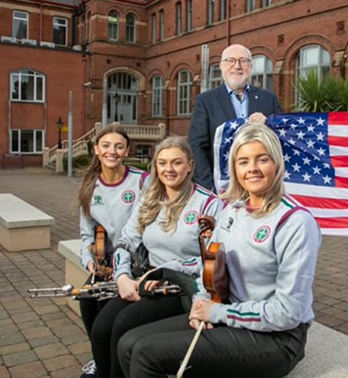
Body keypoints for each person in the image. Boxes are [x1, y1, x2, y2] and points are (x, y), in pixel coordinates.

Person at [117, 122, 321, 378]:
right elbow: (209, 266)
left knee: (147, 353)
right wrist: (200, 299)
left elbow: (288, 312)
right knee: (128, 343)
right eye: (243, 161)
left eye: (262, 159)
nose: (253, 169)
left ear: (277, 164)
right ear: (235, 168)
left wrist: (219, 312)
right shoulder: (232, 211)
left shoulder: (295, 222)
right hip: (228, 314)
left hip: (276, 338)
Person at [88, 136, 224, 378]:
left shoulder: (209, 205)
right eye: (162, 163)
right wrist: (122, 277)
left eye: (177, 163)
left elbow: (211, 261)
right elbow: (125, 242)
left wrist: (167, 271)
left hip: (181, 285)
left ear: (190, 165)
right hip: (146, 279)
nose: (168, 170)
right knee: (100, 328)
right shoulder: (149, 199)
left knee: (123, 324)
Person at [78, 124, 148, 378]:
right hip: (106, 262)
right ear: (96, 149)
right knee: (87, 301)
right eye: (106, 145)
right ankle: (99, 357)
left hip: (137, 261)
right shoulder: (89, 186)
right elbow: (86, 234)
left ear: (127, 150)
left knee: (109, 318)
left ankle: (112, 360)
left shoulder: (142, 180)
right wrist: (90, 263)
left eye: (119, 146)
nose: (112, 151)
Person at [188, 43, 282, 191]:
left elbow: (282, 140)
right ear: (221, 66)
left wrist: (269, 123)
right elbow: (197, 147)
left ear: (251, 67)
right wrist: (210, 189)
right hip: (223, 189)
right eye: (230, 61)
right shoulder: (205, 101)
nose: (237, 66)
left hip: (262, 186)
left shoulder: (268, 99)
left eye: (243, 61)